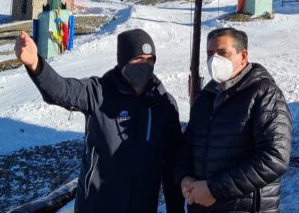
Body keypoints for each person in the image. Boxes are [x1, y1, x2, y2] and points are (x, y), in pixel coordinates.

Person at [14, 28, 185, 213]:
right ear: (123, 61)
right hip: (96, 206)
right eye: (138, 59)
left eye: (150, 59)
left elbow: (173, 162)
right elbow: (61, 90)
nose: (145, 65)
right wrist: (36, 65)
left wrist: (176, 209)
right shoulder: (99, 92)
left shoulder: (163, 105)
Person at [180, 27, 292, 213]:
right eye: (210, 53)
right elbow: (188, 145)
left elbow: (275, 157)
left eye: (223, 53)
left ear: (243, 56)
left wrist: (214, 189)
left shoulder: (265, 94)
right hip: (202, 206)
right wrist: (184, 177)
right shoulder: (205, 98)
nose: (214, 60)